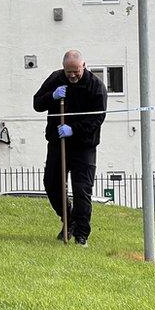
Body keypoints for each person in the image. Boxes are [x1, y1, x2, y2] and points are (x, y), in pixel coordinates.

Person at [33, 50, 107, 247]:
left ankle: (81, 235)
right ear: (63, 68)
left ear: (84, 65)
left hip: (84, 146)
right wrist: (52, 96)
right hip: (58, 143)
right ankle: (69, 219)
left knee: (82, 190)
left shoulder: (96, 86)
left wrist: (73, 129)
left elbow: (97, 118)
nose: (72, 75)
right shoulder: (56, 79)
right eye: (68, 72)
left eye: (76, 71)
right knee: (51, 183)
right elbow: (37, 104)